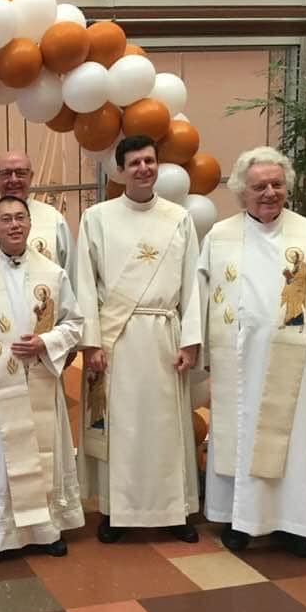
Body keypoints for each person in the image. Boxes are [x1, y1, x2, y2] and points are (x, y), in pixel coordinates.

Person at [199, 146, 306, 558]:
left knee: (290, 440)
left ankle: (292, 524)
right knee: (239, 436)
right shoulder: (220, 236)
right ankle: (238, 521)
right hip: (238, 359)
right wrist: (200, 349)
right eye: (260, 186)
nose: (269, 193)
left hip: (292, 360)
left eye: (277, 184)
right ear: (242, 191)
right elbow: (199, 296)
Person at [71, 134, 202, 544]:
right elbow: (84, 283)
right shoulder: (98, 218)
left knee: (166, 427)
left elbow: (192, 283)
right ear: (120, 170)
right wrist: (91, 342)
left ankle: (174, 510)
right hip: (117, 341)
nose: (143, 169)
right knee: (122, 428)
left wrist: (190, 341)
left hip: (164, 337)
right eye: (135, 163)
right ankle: (117, 511)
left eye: (149, 161)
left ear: (158, 165)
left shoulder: (178, 218)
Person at [0, 195, 85, 557]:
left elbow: (75, 323)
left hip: (39, 377)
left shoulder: (53, 273)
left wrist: (46, 342)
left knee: (43, 455)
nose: (14, 225)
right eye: (6, 219)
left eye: (20, 218)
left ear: (30, 224)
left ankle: (46, 530)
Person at [0, 151, 74, 273]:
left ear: (31, 177)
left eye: (20, 173)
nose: (13, 180)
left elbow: (71, 273)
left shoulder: (54, 220)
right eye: (6, 173)